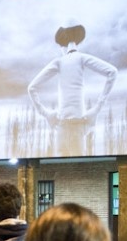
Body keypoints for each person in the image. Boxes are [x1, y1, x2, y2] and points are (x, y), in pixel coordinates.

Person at [27, 22, 118, 153]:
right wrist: (97, 107)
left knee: (63, 167)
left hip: (63, 126)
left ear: (62, 45)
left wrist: (46, 113)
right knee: (77, 165)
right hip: (75, 125)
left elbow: (31, 88)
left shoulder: (59, 61)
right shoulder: (80, 58)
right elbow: (112, 72)